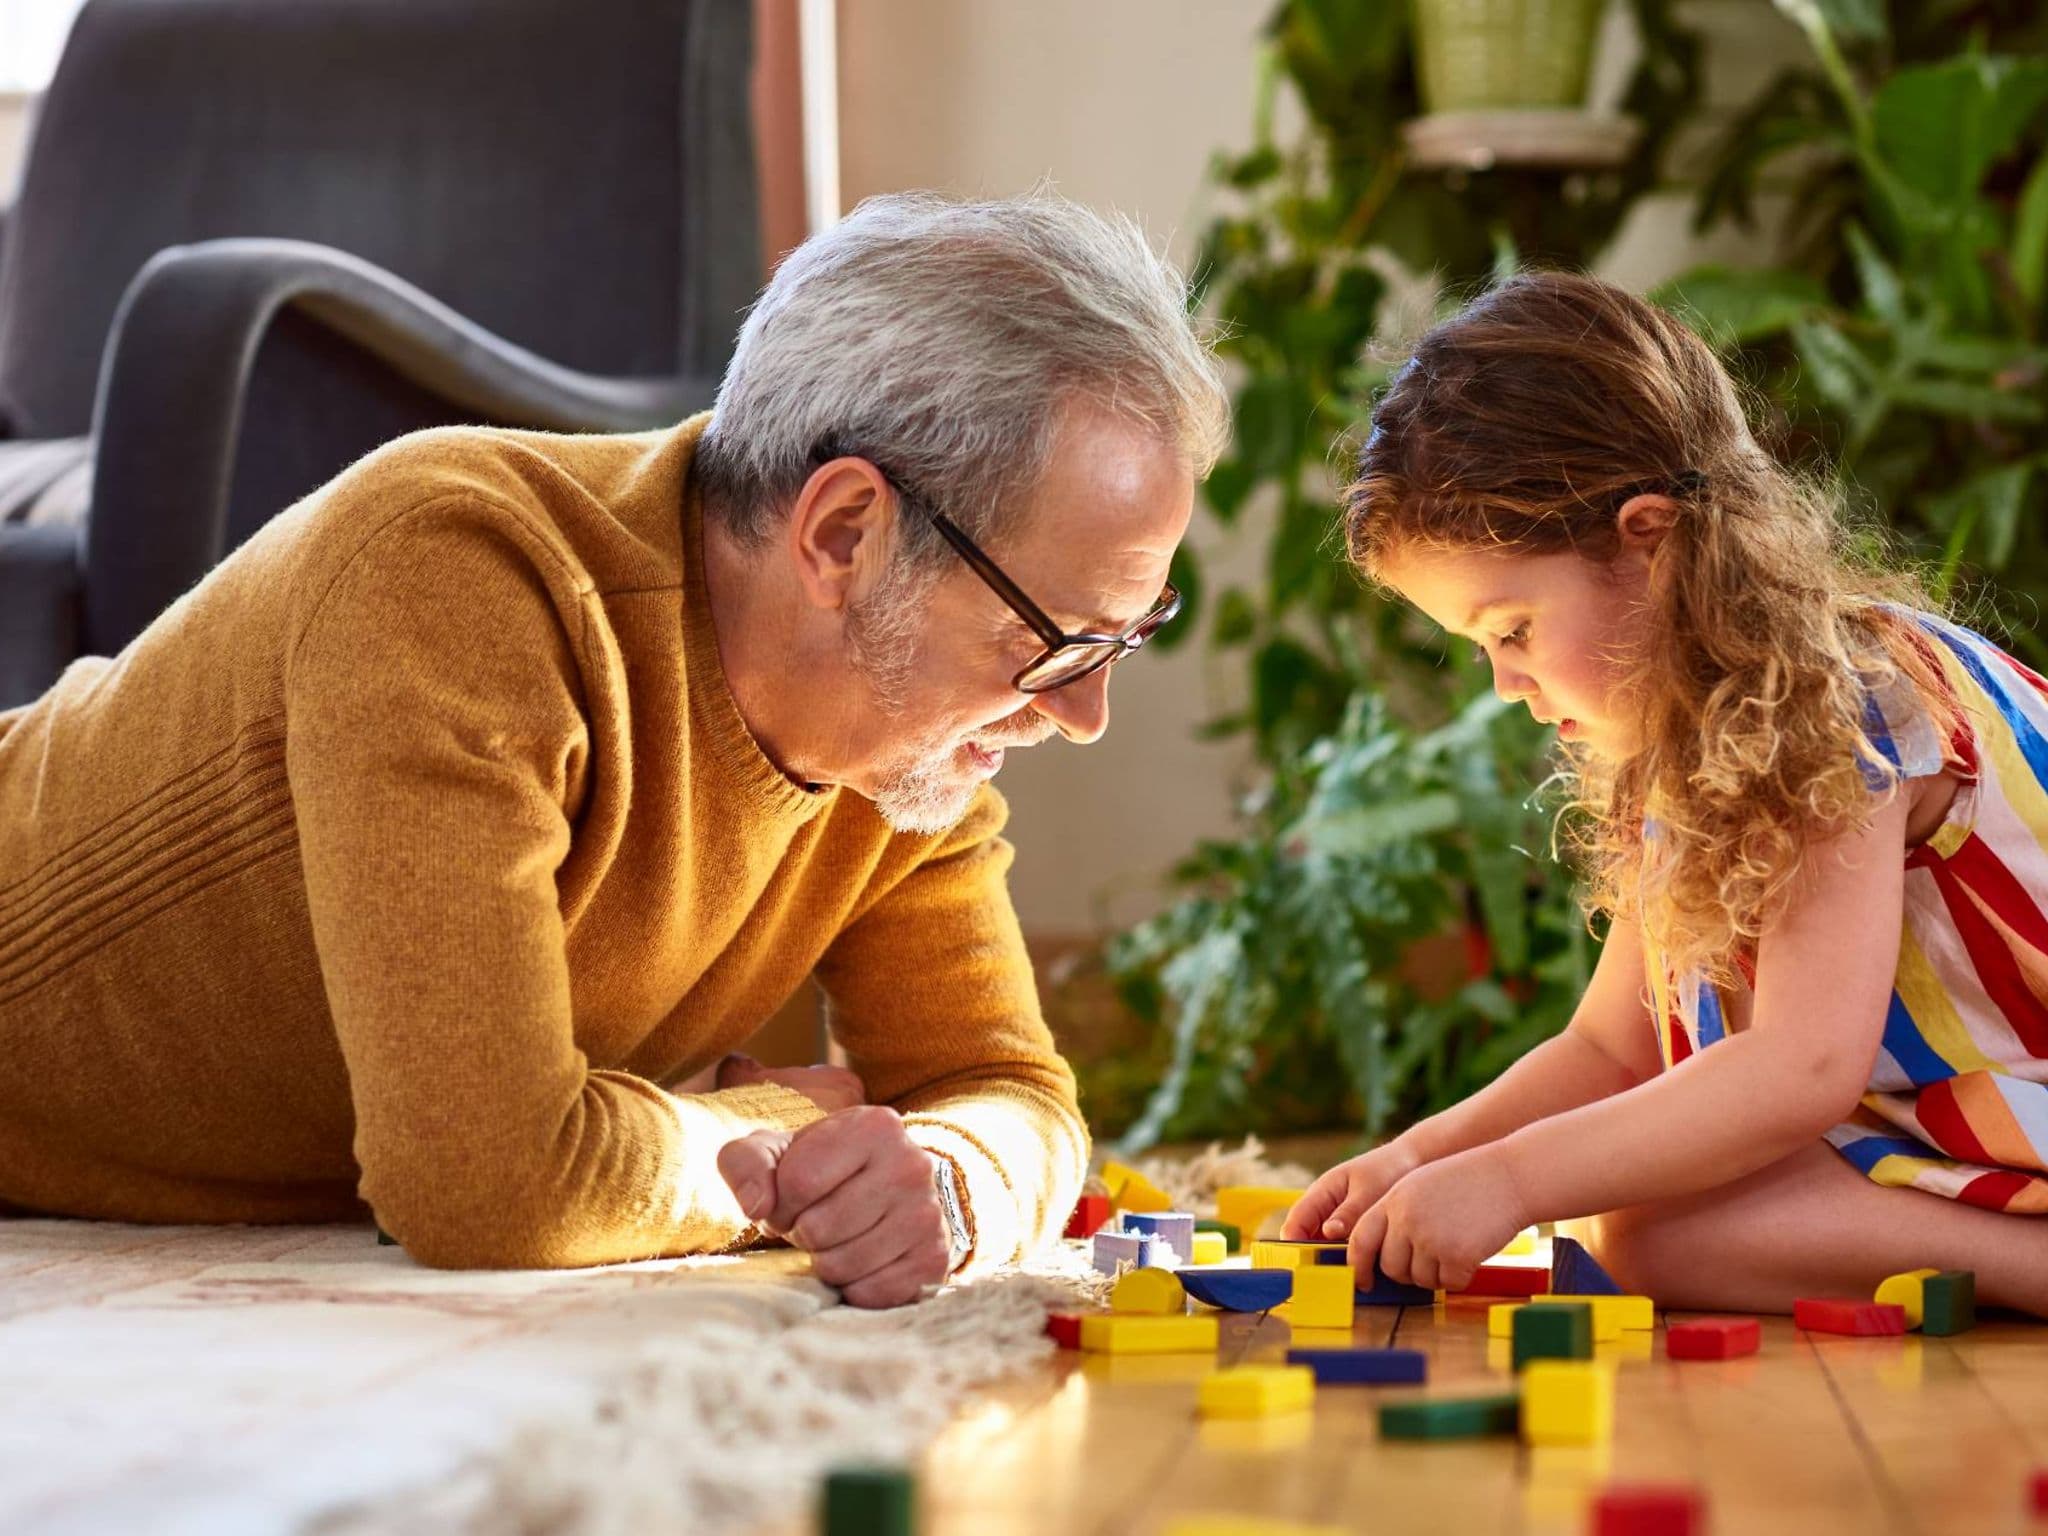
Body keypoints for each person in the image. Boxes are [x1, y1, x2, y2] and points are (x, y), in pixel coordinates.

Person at [0, 191, 1228, 1307]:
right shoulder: (459, 574)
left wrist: (950, 1182)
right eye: (1053, 639)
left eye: (1124, 637)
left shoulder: (902, 748)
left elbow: (1010, 1092)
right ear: (844, 534)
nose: (1082, 713)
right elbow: (487, 1183)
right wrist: (769, 1135)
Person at [1285, 270, 2048, 1317]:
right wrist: (1420, 1157)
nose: (1504, 683)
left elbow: (1801, 1068)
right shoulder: (1691, 735)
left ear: (1651, 543)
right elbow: (1614, 1047)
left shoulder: (1842, 700)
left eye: (1512, 630)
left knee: (1654, 1227)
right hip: (1984, 1119)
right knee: (1651, 1223)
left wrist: (1510, 1182)